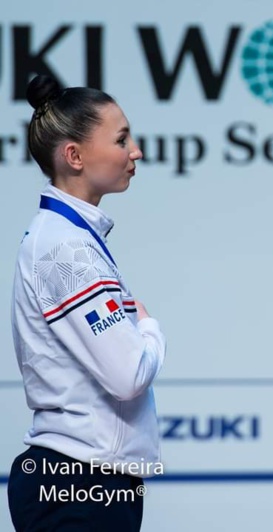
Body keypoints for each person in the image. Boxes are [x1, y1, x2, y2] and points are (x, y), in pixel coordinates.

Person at [7, 75, 166, 531]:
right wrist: (151, 329)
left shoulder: (67, 238)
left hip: (85, 480)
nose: (135, 151)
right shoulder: (66, 248)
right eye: (121, 139)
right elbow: (129, 373)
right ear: (74, 156)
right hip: (78, 483)